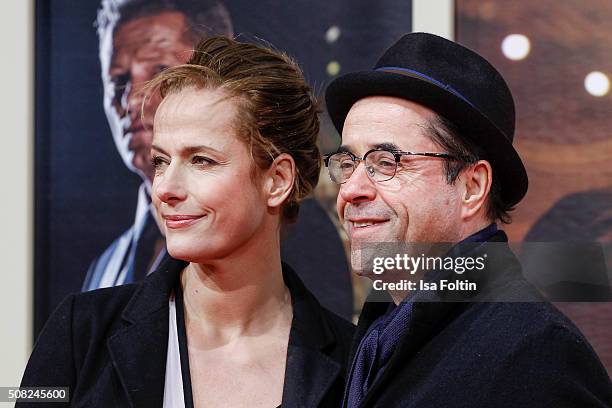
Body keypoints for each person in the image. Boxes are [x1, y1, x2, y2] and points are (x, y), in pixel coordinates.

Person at [19, 37, 354, 407]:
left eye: (201, 161)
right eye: (161, 161)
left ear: (276, 181)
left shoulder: (353, 364)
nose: (165, 189)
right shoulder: (80, 334)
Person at [323, 32, 612, 407]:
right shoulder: (384, 333)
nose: (351, 190)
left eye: (386, 163)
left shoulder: (535, 354)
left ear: (472, 187)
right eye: (347, 164)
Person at [84, 0, 353, 319]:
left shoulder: (302, 241)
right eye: (118, 80)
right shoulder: (103, 270)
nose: (133, 99)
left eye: (160, 71)